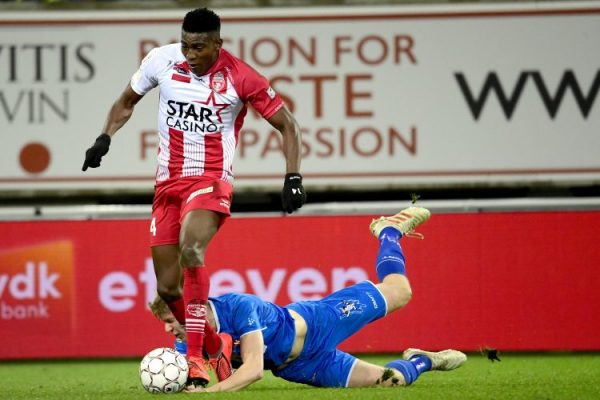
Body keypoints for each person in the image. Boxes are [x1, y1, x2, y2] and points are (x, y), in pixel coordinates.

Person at [82, 7, 306, 387]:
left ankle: (195, 357)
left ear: (218, 44)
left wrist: (293, 176)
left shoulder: (242, 77)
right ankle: (216, 345)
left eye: (199, 47)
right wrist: (104, 137)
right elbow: (125, 101)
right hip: (167, 185)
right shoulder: (161, 60)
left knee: (191, 249)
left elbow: (289, 125)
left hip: (211, 181)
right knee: (167, 288)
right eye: (186, 45)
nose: (190, 54)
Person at [151, 206, 467, 392]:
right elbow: (186, 377)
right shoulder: (187, 344)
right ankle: (423, 361)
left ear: (188, 308)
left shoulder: (238, 306)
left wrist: (211, 392)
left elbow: (253, 370)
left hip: (318, 323)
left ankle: (389, 231)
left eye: (169, 320)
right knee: (391, 381)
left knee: (400, 292)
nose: (167, 329)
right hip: (302, 366)